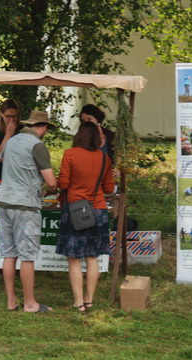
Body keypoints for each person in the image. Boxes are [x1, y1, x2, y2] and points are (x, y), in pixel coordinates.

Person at [0, 110, 57, 313]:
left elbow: (1, 159)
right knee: (27, 256)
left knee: (9, 253)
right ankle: (30, 304)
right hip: (25, 205)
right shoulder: (37, 145)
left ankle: (11, 301)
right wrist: (51, 190)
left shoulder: (11, 141)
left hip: (4, 202)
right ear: (44, 127)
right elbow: (51, 182)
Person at [56, 121, 115, 313]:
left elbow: (63, 183)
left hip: (75, 210)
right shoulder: (104, 158)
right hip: (98, 210)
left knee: (74, 258)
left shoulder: (70, 154)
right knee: (92, 257)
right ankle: (89, 300)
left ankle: (78, 302)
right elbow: (108, 188)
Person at [0, 99, 21, 183]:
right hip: (2, 176)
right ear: (1, 114)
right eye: (8, 116)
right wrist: (8, 135)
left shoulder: (23, 130)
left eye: (15, 116)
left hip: (21, 176)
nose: (12, 120)